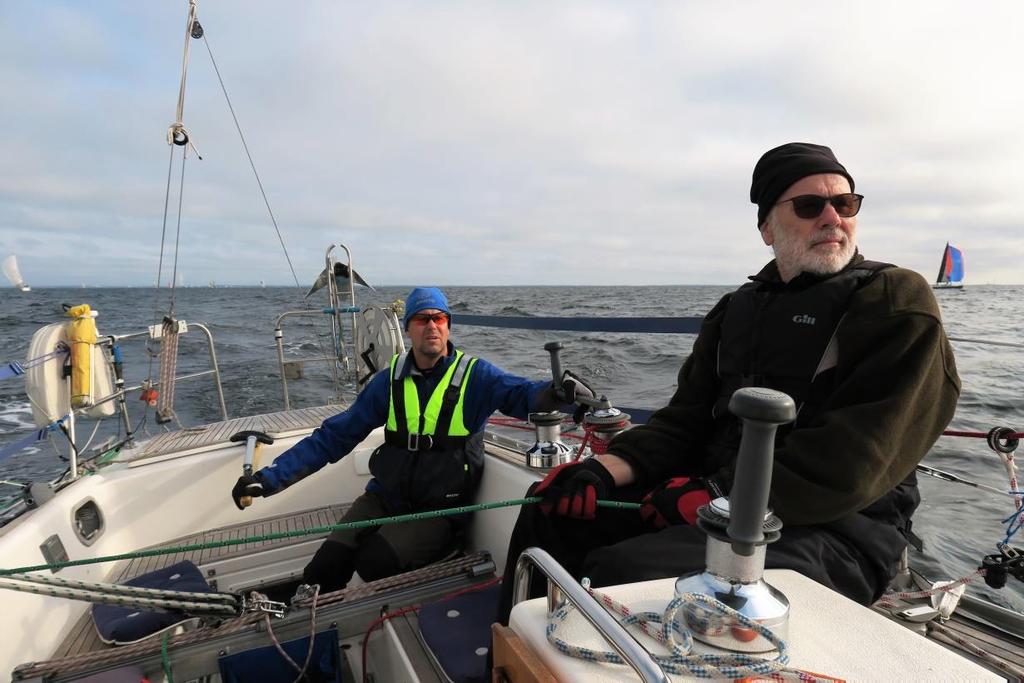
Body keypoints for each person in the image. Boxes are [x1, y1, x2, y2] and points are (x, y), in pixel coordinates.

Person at [498, 142, 961, 622]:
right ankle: (512, 657)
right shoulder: (736, 311)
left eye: (844, 203)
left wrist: (718, 493)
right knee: (547, 510)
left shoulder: (892, 298)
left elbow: (860, 456)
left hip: (837, 528)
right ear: (767, 228)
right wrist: (605, 468)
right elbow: (684, 421)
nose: (832, 217)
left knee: (624, 571)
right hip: (716, 502)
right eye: (809, 206)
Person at [232, 286, 593, 592]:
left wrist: (557, 393)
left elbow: (524, 396)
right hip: (384, 498)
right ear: (408, 329)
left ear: (449, 327)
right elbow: (335, 436)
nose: (432, 326)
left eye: (439, 319)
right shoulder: (388, 382)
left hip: (442, 510)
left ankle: (446, 548)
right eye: (422, 319)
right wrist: (269, 478)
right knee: (324, 569)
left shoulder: (477, 376)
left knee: (373, 562)